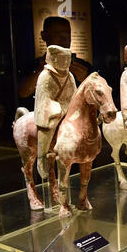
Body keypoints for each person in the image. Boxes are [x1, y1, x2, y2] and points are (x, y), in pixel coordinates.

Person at [18, 16, 94, 110]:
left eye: (67, 33)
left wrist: (84, 80)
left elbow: (97, 97)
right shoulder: (33, 66)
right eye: (57, 33)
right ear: (44, 36)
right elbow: (23, 92)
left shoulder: (83, 67)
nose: (63, 38)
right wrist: (42, 70)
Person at [34, 45, 76, 179]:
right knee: (48, 127)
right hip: (52, 111)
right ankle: (41, 157)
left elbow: (74, 95)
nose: (66, 62)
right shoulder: (45, 76)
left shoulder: (70, 76)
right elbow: (44, 98)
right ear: (53, 59)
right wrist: (59, 108)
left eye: (68, 59)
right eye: (63, 59)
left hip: (67, 109)